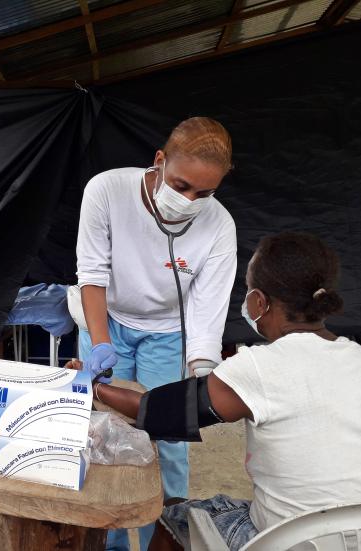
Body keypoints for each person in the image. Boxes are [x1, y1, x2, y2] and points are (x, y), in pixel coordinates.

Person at [86, 232, 361, 551]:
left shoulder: (261, 366)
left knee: (174, 514)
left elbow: (158, 411)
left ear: (259, 302)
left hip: (298, 541)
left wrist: (96, 387)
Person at [76, 117, 237, 549]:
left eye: (204, 193)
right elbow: (91, 273)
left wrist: (203, 375)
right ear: (160, 159)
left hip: (168, 332)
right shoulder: (107, 190)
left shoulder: (220, 226)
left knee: (165, 439)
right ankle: (104, 541)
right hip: (105, 322)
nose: (190, 201)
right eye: (182, 185)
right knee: (100, 433)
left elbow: (208, 309)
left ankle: (159, 538)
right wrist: (101, 341)